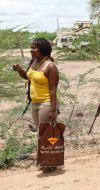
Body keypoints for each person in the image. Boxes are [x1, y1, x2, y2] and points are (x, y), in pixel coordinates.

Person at [13, 38, 59, 173]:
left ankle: (51, 162)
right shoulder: (34, 62)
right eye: (31, 47)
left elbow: (53, 89)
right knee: (41, 133)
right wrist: (19, 69)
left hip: (46, 103)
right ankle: (46, 159)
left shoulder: (50, 66)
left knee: (46, 133)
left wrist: (53, 109)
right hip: (35, 102)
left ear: (42, 50)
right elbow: (27, 77)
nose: (31, 50)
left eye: (34, 48)